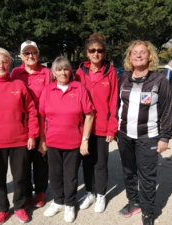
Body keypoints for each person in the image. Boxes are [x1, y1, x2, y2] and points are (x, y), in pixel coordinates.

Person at [0, 47, 39, 224]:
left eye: (4, 62)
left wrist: (32, 135)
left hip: (19, 140)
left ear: (10, 64)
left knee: (20, 177)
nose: (1, 66)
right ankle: (3, 208)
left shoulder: (19, 85)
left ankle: (18, 206)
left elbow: (31, 112)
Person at [117, 40, 172, 225]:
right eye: (135, 53)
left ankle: (148, 212)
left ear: (150, 57)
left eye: (142, 52)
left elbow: (166, 110)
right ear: (129, 58)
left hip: (148, 136)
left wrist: (164, 137)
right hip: (125, 135)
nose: (138, 55)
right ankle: (133, 202)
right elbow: (117, 105)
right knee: (128, 172)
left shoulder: (159, 80)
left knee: (147, 176)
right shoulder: (123, 78)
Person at [39, 56, 94, 223]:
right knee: (55, 174)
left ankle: (70, 204)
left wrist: (85, 140)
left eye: (65, 69)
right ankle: (58, 202)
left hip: (73, 142)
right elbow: (41, 116)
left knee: (70, 176)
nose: (63, 72)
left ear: (70, 71)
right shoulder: (47, 90)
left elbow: (89, 115)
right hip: (52, 141)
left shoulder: (79, 88)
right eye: (59, 69)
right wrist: (42, 140)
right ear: (53, 72)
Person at [75, 33, 118, 213]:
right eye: (92, 50)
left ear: (104, 53)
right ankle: (90, 192)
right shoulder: (79, 73)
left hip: (102, 127)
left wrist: (112, 128)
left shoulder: (110, 72)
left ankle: (101, 195)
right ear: (87, 53)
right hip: (84, 128)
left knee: (100, 163)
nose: (96, 54)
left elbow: (114, 101)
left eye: (99, 51)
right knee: (87, 162)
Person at [10, 40, 50, 208]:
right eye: (26, 53)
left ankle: (40, 191)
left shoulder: (47, 73)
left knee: (41, 159)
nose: (30, 56)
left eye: (33, 52)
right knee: (23, 161)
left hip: (43, 123)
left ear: (38, 54)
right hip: (21, 125)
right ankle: (26, 192)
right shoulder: (16, 73)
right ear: (21, 56)